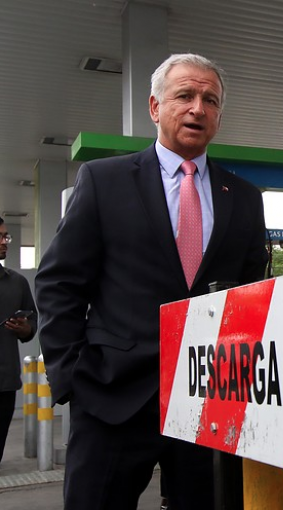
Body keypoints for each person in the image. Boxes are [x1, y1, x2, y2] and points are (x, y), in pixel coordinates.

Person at [35, 53, 268, 510]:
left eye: (210, 100)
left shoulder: (244, 198)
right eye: (185, 95)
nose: (198, 108)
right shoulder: (104, 180)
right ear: (154, 107)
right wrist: (70, 376)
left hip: (211, 403)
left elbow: (249, 294)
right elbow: (59, 281)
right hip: (111, 397)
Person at [0, 217, 37, 465]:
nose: (5, 242)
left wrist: (24, 329)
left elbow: (31, 327)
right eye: (1, 236)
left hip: (5, 381)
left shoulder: (17, 282)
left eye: (7, 237)